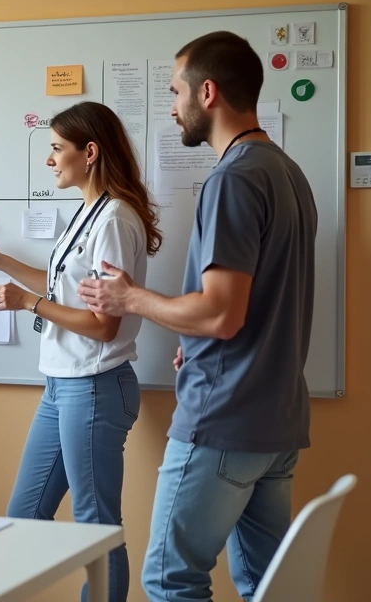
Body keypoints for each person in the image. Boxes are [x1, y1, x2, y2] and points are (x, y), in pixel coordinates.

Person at [78, 31, 317, 601]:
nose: (171, 105)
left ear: (206, 93)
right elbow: (247, 309)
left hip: (223, 419)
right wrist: (203, 336)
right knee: (266, 585)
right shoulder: (288, 173)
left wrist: (130, 298)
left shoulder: (233, 178)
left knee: (170, 579)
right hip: (275, 421)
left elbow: (221, 313)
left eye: (175, 91)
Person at [0, 101, 162, 602]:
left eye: (56, 149)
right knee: (25, 515)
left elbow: (103, 325)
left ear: (89, 152)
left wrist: (29, 303)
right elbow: (61, 285)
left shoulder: (114, 218)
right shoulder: (88, 212)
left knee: (95, 528)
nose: (49, 160)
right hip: (63, 386)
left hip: (93, 387)